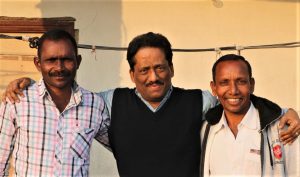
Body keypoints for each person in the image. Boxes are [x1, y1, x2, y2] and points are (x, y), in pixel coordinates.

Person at [2, 33, 300, 177]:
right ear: (132, 74)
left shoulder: (199, 102)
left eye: (160, 68)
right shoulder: (108, 103)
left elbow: (235, 98)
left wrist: (285, 112)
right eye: (143, 70)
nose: (153, 77)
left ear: (171, 68)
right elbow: (64, 92)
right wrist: (25, 82)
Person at [0, 29, 110, 176]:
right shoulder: (17, 100)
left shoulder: (94, 105)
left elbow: (124, 148)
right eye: (51, 60)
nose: (59, 67)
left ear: (78, 61)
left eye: (67, 59)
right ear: (38, 63)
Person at [200, 54, 300, 177]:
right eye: (224, 82)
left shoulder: (282, 128)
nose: (233, 91)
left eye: (241, 81)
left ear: (251, 84)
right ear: (214, 88)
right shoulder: (206, 130)